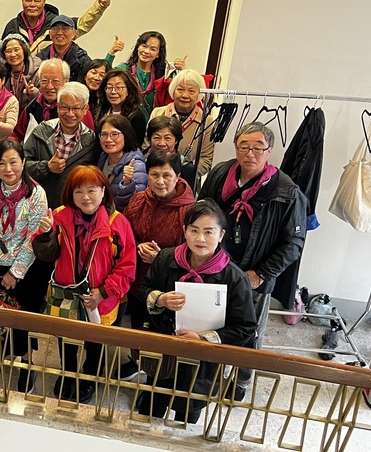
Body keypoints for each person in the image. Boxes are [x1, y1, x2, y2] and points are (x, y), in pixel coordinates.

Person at [199, 122, 307, 398]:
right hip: (216, 267)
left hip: (254, 275)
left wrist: (261, 274)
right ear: (236, 147)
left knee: (248, 332)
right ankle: (208, 374)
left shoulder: (286, 191)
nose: (250, 153)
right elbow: (202, 211)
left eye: (258, 147)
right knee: (211, 324)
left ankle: (241, 381)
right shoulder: (221, 173)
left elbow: (293, 243)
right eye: (244, 146)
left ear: (269, 150)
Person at [136, 200, 257, 423]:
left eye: (208, 232)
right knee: (151, 405)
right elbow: (143, 289)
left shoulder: (234, 278)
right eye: (194, 230)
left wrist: (202, 339)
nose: (200, 239)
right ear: (184, 231)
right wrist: (160, 299)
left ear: (221, 235)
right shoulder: (166, 258)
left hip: (202, 362)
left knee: (187, 414)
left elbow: (245, 328)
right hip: (165, 349)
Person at [32, 165, 136, 404]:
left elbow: (127, 266)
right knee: (65, 340)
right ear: (70, 194)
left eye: (91, 190)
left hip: (100, 298)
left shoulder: (117, 222)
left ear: (103, 191)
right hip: (65, 294)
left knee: (95, 342)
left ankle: (89, 378)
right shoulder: (59, 216)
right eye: (78, 191)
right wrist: (45, 235)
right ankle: (68, 374)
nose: (85, 197)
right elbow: (46, 255)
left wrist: (104, 292)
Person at [0, 140, 49, 393]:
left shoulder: (36, 194)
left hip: (25, 269)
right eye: (2, 163)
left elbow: (33, 238)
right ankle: (5, 348)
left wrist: (15, 273)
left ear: (23, 162)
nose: (8, 169)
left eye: (13, 162)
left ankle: (26, 361)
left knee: (22, 318)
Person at [120, 150, 194, 378]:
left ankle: (159, 376)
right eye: (154, 175)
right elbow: (124, 234)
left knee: (162, 331)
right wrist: (138, 246)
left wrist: (161, 257)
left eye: (166, 175)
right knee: (138, 325)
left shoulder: (189, 210)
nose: (160, 181)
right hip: (139, 279)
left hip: (169, 284)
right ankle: (137, 361)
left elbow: (194, 251)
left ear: (178, 176)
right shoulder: (138, 200)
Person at [23, 82, 99, 208]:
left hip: (73, 209)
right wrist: (46, 166)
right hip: (38, 205)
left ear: (85, 109)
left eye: (76, 108)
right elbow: (21, 166)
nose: (70, 114)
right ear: (58, 107)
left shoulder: (91, 141)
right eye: (65, 107)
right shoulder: (41, 131)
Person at [2, 0, 111, 54]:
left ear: (44, 2)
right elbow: (3, 54)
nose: (32, 4)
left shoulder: (56, 24)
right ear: (22, 1)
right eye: (28, 0)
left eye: (37, 0)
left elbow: (82, 25)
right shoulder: (13, 26)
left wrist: (99, 7)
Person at [150, 69, 214, 176]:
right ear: (173, 90)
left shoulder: (206, 121)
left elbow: (206, 159)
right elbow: (147, 147)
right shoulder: (158, 113)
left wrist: (182, 174)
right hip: (157, 174)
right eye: (180, 89)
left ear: (199, 94)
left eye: (191, 91)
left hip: (187, 178)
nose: (185, 95)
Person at [104, 31, 185, 109]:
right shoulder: (124, 70)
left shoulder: (164, 74)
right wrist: (111, 52)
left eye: (153, 49)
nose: (146, 51)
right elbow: (104, 76)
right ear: (138, 47)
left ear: (158, 54)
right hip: (128, 116)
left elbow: (182, 90)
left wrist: (183, 70)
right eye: (144, 46)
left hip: (155, 117)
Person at [96, 114, 148, 211]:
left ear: (126, 135)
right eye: (104, 134)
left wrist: (127, 184)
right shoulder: (103, 157)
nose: (108, 139)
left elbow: (135, 205)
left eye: (114, 134)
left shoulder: (136, 165)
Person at [97, 68, 149, 143]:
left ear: (128, 91)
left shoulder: (136, 116)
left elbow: (136, 144)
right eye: (109, 87)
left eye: (118, 87)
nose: (113, 92)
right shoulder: (101, 111)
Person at [36, 15, 92, 81]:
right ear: (49, 34)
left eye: (65, 28)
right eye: (55, 28)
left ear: (74, 33)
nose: (59, 33)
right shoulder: (39, 58)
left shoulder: (82, 60)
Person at [144, 115, 196, 187]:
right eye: (157, 138)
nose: (162, 143)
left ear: (176, 140)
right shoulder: (141, 161)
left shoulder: (186, 168)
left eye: (167, 138)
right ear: (150, 139)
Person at [0, 33, 41, 108]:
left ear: (24, 50)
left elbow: (45, 100)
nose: (13, 54)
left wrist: (32, 93)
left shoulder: (38, 70)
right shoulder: (2, 73)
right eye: (8, 51)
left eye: (16, 50)